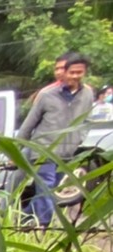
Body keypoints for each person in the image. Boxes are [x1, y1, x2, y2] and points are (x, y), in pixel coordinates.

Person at [17, 51, 95, 228]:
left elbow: (86, 120)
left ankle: (25, 217)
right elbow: (28, 125)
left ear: (84, 73)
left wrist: (79, 139)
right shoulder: (47, 95)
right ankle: (44, 225)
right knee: (46, 186)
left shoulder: (88, 94)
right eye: (71, 72)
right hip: (43, 150)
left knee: (49, 190)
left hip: (67, 153)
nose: (74, 76)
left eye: (79, 73)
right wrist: (15, 150)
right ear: (65, 72)